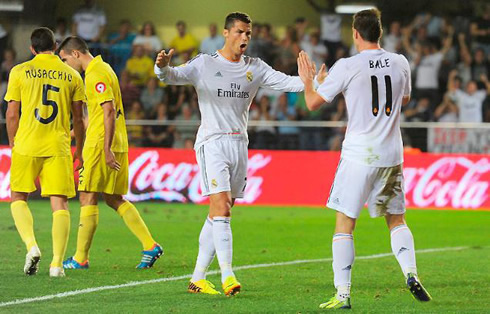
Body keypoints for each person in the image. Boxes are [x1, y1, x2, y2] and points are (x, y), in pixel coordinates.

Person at [154, 12, 325, 296]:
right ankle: (228, 275)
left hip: (239, 144)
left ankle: (197, 277)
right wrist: (162, 67)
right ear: (226, 33)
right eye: (240, 32)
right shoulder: (205, 63)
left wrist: (313, 81)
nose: (245, 37)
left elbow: (289, 83)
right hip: (212, 143)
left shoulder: (255, 68)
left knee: (219, 211)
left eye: (248, 33)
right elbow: (171, 77)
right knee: (222, 208)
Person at [297, 9, 432, 309]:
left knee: (345, 223)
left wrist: (310, 81)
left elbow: (312, 103)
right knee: (396, 220)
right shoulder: (400, 62)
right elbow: (404, 98)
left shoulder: (346, 66)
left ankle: (342, 294)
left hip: (359, 154)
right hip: (391, 154)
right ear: (379, 33)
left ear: (355, 33)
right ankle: (410, 272)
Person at [58, 36, 163, 270]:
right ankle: (150, 245)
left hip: (101, 143)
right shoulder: (105, 69)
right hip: (116, 141)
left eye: (64, 60)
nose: (66, 66)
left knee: (86, 195)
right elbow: (97, 113)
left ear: (75, 54)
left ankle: (80, 258)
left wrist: (105, 149)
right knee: (114, 198)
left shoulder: (95, 73)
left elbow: (108, 111)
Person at [4, 27, 85, 277]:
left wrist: (12, 144)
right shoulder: (71, 75)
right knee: (59, 204)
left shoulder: (19, 71)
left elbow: (11, 114)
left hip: (27, 143)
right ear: (56, 46)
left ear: (32, 48)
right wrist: (79, 149)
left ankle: (31, 246)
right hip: (57, 145)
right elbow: (79, 120)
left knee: (18, 198)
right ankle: (57, 264)